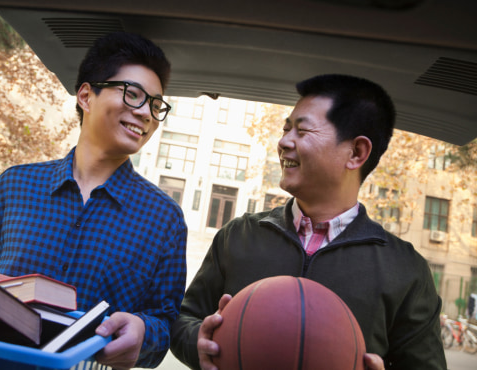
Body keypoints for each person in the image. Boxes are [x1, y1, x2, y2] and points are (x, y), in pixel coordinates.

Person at [0, 32, 187, 370]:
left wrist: (145, 331)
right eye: (133, 95)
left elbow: (164, 319)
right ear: (86, 96)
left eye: (156, 105)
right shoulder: (15, 184)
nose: (146, 113)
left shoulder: (165, 218)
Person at [170, 74, 446, 370]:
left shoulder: (406, 269)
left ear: (356, 153)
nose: (283, 142)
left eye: (301, 132)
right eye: (286, 129)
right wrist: (199, 339)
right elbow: (183, 320)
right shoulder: (238, 235)